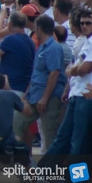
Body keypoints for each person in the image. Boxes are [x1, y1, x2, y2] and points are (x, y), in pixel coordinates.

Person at [37, 11, 92, 183]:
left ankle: (68, 179)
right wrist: (72, 76)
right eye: (82, 23)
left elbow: (84, 68)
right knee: (66, 136)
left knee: (78, 140)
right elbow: (75, 68)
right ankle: (45, 171)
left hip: (88, 95)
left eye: (88, 23)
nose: (84, 26)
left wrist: (74, 70)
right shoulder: (86, 41)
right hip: (78, 93)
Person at [12, 15, 67, 150]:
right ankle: (24, 156)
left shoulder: (53, 48)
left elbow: (54, 74)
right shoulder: (43, 47)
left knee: (50, 134)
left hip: (49, 98)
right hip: (35, 96)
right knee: (17, 121)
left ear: (39, 29)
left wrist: (45, 98)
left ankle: (52, 162)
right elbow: (37, 74)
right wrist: (27, 93)